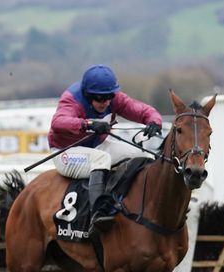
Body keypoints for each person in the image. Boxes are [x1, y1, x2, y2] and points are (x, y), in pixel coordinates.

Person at [48, 64, 162, 235]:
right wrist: (88, 124)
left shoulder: (113, 98)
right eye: (99, 98)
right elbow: (58, 122)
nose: (105, 103)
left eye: (108, 97)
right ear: (87, 95)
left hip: (96, 146)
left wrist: (154, 121)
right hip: (65, 152)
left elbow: (140, 109)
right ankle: (98, 213)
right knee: (101, 159)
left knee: (139, 154)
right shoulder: (71, 99)